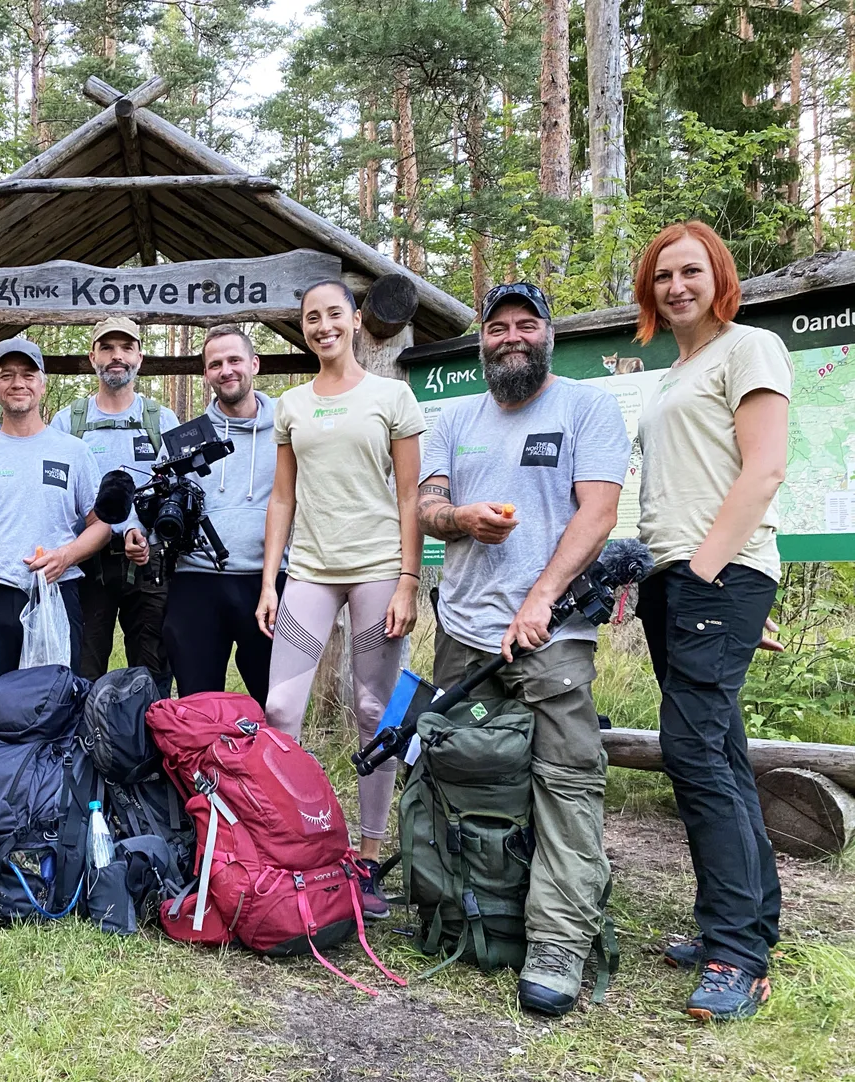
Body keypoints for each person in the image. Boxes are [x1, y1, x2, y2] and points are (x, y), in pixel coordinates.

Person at [417, 280, 630, 1016]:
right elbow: (426, 504)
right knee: (468, 778)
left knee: (565, 785)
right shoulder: (454, 415)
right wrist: (460, 517)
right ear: (482, 338)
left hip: (552, 637)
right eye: (498, 326)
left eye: (525, 324)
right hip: (463, 633)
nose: (511, 336)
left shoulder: (587, 406)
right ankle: (463, 903)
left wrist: (540, 598)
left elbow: (598, 512)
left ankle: (558, 944)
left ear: (549, 334)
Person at [632, 221, 791, 1023]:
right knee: (719, 752)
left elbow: (764, 470)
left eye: (691, 271)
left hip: (709, 574)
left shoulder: (749, 348)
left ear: (718, 275)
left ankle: (737, 953)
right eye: (663, 276)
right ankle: (749, 921)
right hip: (682, 578)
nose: (676, 286)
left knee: (692, 753)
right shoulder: (682, 369)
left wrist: (710, 576)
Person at [256, 279, 424, 919]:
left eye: (334, 314)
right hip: (311, 574)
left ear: (356, 321)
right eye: (310, 318)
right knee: (280, 707)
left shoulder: (393, 396)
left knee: (372, 707)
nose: (323, 325)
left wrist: (409, 579)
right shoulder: (292, 405)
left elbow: (410, 496)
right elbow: (282, 499)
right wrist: (270, 579)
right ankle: (290, 844)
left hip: (379, 568)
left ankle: (370, 855)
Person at [0, 337, 109, 738]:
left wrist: (66, 555)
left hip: (55, 596)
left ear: (42, 384)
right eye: (7, 375)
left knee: (53, 704)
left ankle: (49, 798)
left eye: (28, 374)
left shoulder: (75, 452)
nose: (18, 383)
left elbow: (101, 524)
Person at [51, 317, 179, 688]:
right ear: (93, 357)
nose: (116, 356)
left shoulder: (161, 419)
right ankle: (83, 744)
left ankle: (148, 745)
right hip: (87, 565)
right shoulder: (68, 421)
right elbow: (57, 497)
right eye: (107, 348)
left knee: (151, 674)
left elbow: (176, 491)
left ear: (140, 356)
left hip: (150, 564)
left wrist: (147, 531)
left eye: (126, 348)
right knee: (81, 671)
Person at [160, 325, 284, 705]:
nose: (226, 370)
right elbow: (163, 503)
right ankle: (201, 767)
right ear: (206, 374)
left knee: (276, 704)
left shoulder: (289, 427)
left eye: (234, 360)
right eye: (216, 364)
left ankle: (273, 765)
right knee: (198, 705)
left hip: (267, 582)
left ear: (255, 364)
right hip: (195, 582)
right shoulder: (186, 439)